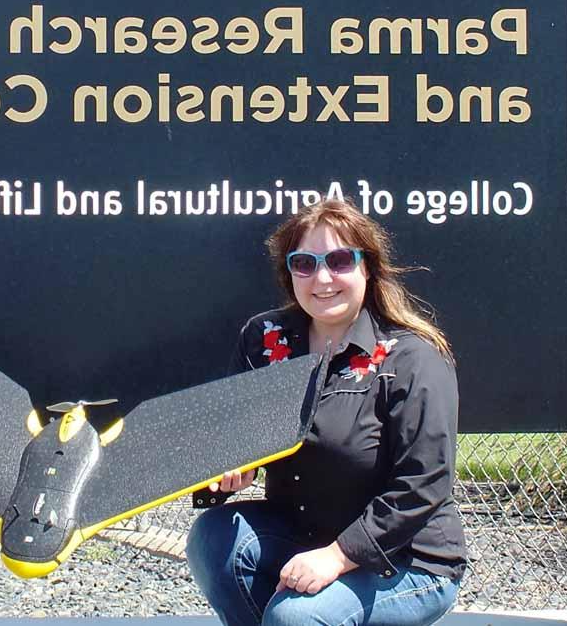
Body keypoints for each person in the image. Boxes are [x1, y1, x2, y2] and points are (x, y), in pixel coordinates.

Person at [186, 198, 465, 626]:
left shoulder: (412, 358)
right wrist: (227, 472)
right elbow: (235, 441)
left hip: (405, 560)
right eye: (304, 263)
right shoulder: (264, 339)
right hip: (304, 535)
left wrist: (338, 557)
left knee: (296, 618)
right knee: (213, 539)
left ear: (366, 267)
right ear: (289, 273)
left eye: (339, 260)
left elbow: (423, 486)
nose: (322, 278)